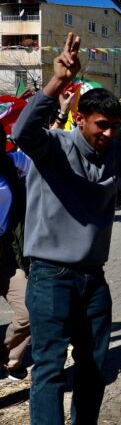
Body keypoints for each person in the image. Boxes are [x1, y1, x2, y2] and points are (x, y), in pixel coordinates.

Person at [12, 33, 121, 425]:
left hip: (93, 280)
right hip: (50, 275)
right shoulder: (53, 146)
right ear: (79, 118)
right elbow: (21, 133)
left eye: (115, 126)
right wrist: (57, 81)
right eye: (101, 125)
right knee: (47, 368)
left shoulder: (117, 153)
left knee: (94, 367)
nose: (109, 133)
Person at [0, 126, 31, 382]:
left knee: (30, 310)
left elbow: (48, 159)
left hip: (6, 255)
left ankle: (9, 358)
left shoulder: (13, 162)